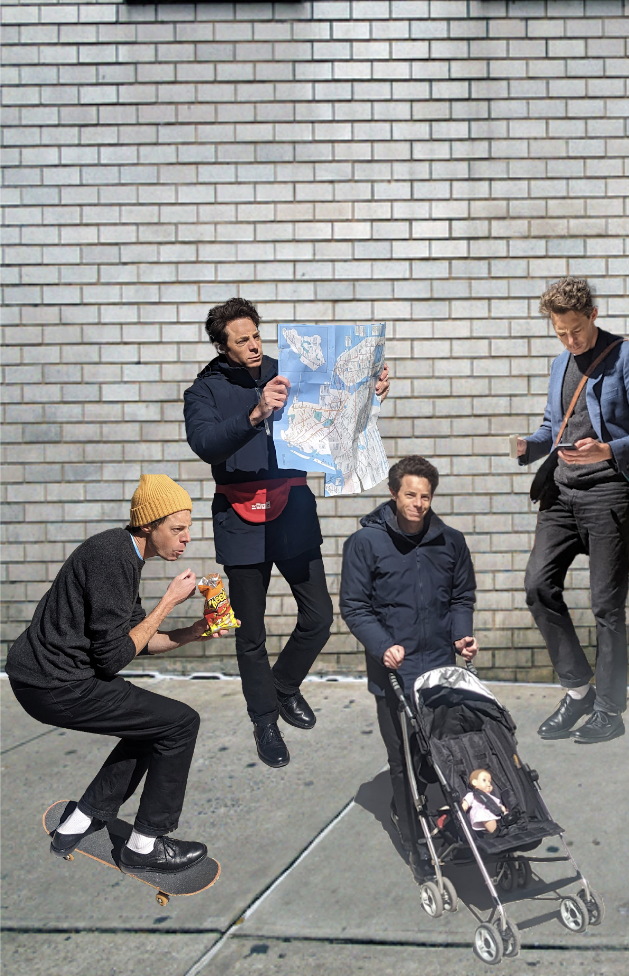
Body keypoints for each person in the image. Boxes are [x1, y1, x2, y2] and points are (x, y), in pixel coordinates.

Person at [183, 297, 391, 769]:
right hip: (238, 513)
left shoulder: (289, 370)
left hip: (293, 504)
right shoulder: (203, 391)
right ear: (221, 346)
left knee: (319, 617)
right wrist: (256, 414)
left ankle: (282, 686)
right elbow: (205, 444)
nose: (255, 346)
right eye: (242, 341)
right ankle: (264, 720)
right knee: (250, 631)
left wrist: (370, 392)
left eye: (256, 335)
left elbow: (338, 413)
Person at [6, 476, 215, 873]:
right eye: (177, 529)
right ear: (148, 526)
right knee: (181, 724)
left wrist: (194, 632)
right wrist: (169, 601)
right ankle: (145, 845)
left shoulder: (123, 555)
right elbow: (114, 659)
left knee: (155, 723)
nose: (187, 538)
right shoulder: (112, 558)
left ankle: (81, 821)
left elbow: (140, 637)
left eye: (188, 528)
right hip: (57, 684)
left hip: (51, 679)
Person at [516, 277, 629, 745]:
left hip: (610, 492)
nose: (570, 340)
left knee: (606, 606)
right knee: (538, 586)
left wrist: (608, 450)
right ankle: (579, 690)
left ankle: (609, 709)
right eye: (561, 332)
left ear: (593, 315)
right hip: (562, 492)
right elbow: (551, 427)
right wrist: (528, 445)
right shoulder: (561, 362)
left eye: (576, 330)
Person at [339, 455, 477, 877]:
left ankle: (456, 822)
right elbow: (354, 605)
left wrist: (462, 634)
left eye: (425, 496)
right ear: (394, 494)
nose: (418, 503)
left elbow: (461, 596)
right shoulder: (365, 544)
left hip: (439, 666)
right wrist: (383, 646)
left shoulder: (449, 541)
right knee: (402, 757)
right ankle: (414, 836)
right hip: (394, 671)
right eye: (411, 495)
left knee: (445, 749)